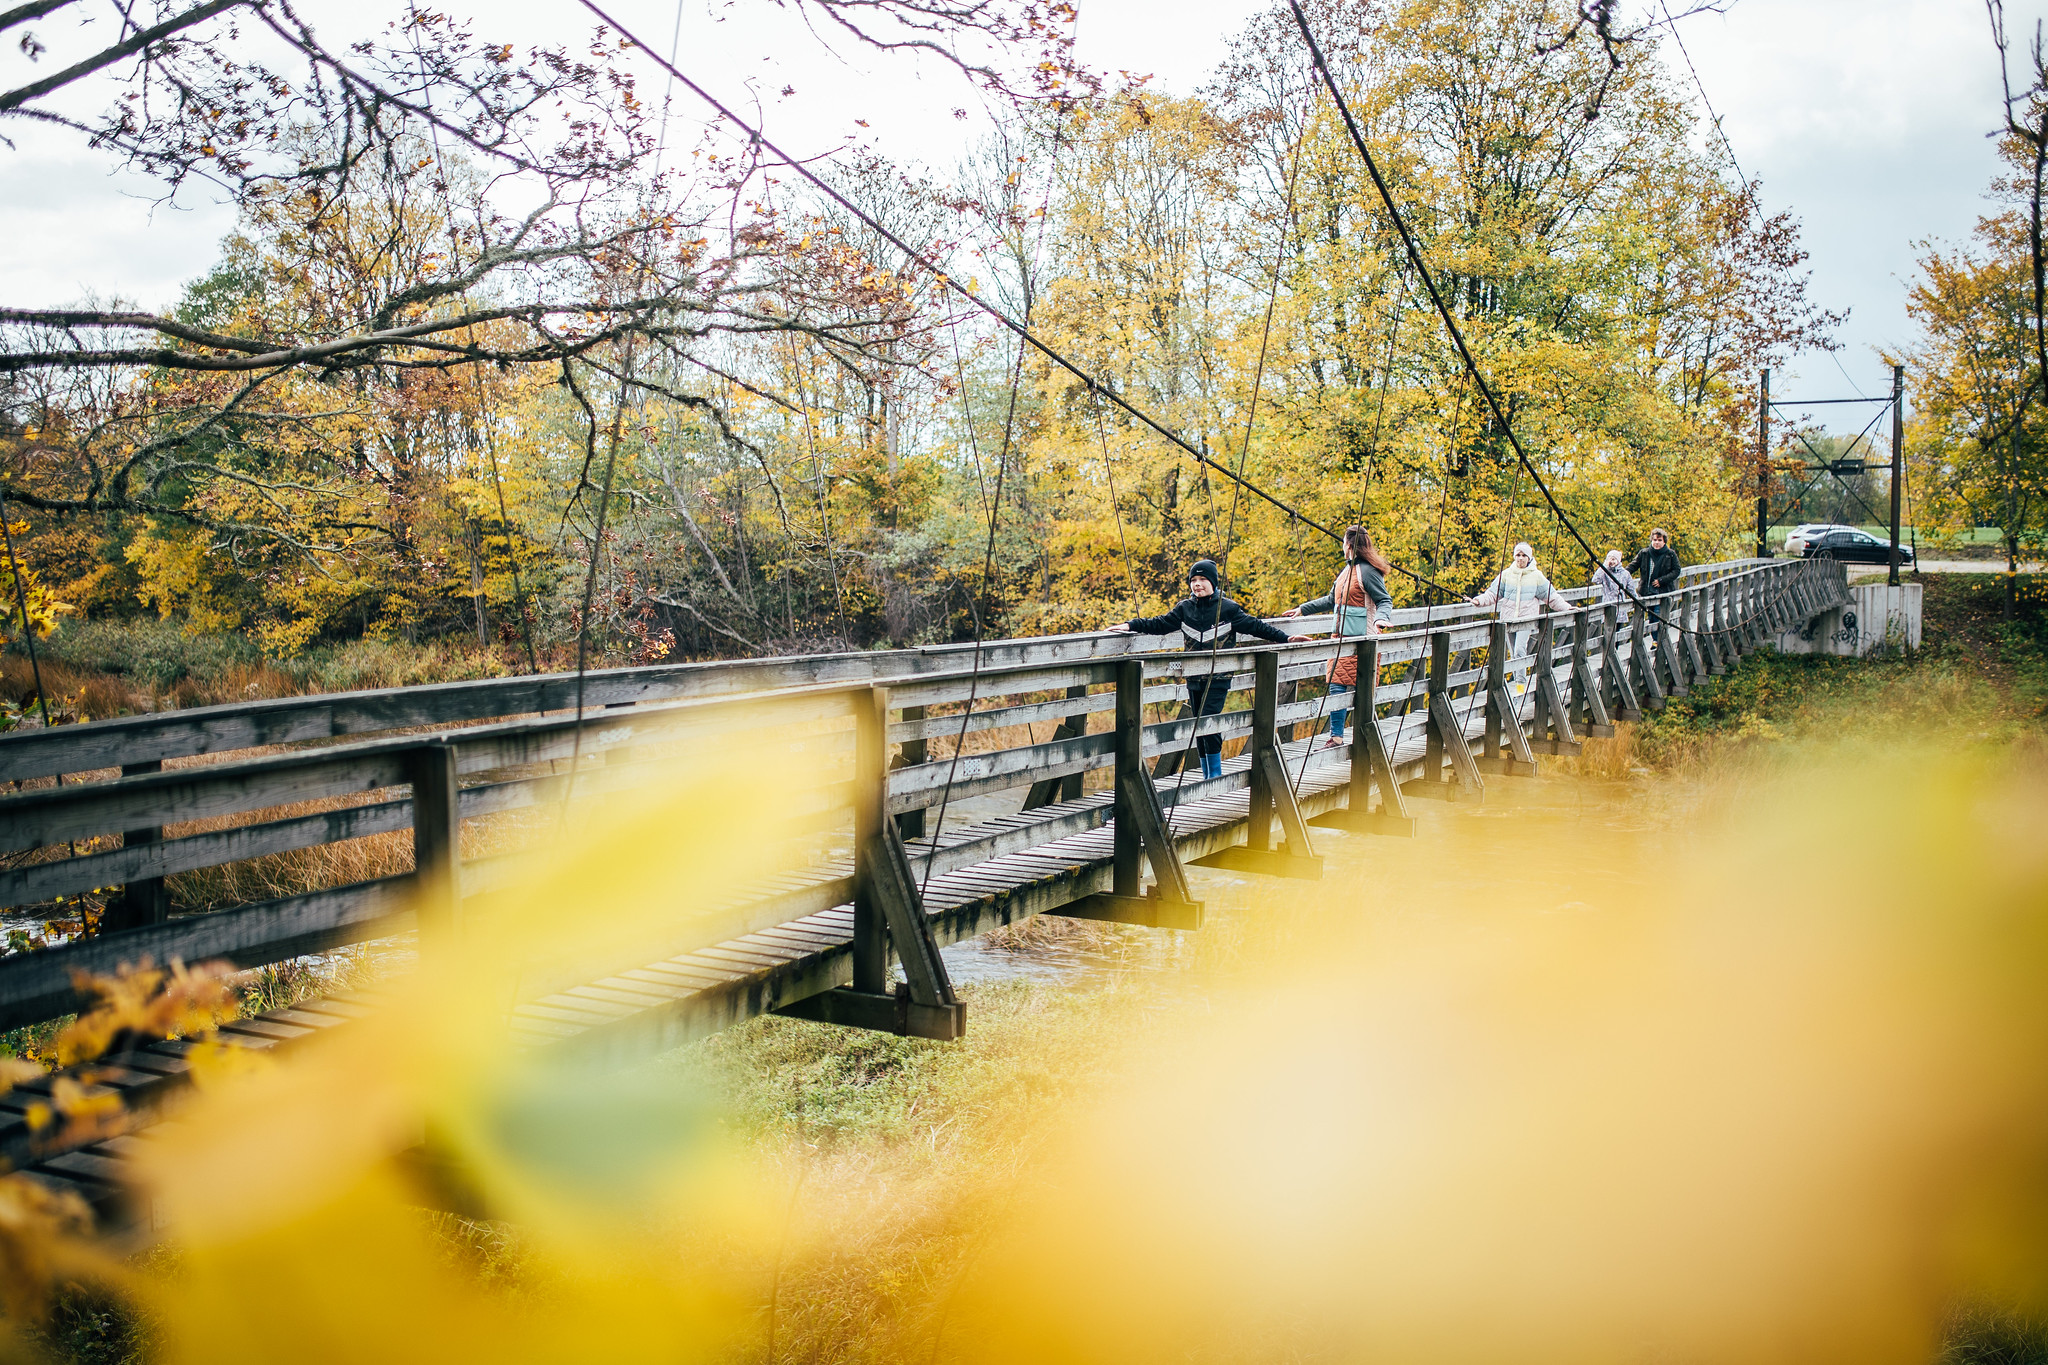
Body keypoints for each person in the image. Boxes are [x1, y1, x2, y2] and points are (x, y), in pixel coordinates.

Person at [1108, 558, 1308, 780]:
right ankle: (1206, 776)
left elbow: (1257, 627)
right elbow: (1159, 624)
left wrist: (1286, 638)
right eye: (1193, 580)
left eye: (1203, 579)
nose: (1197, 584)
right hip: (1193, 677)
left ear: (1213, 582)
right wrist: (1130, 625)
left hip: (1219, 676)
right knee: (1198, 726)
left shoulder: (1228, 609)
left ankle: (1214, 776)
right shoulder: (1184, 609)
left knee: (1208, 721)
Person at [1281, 526, 1395, 749]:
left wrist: (1381, 619)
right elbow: (1330, 600)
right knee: (1336, 685)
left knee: (1363, 691)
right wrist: (1302, 609)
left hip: (1363, 640)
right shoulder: (1346, 571)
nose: (1342, 546)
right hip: (1340, 639)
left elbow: (1384, 600)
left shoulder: (1367, 572)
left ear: (1349, 545)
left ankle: (1365, 738)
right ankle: (1336, 737)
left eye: (1344, 542)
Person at [1469, 541, 1570, 655]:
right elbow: (1493, 593)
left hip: (1526, 619)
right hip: (1508, 619)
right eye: (1518, 555)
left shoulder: (1536, 576)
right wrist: (1478, 600)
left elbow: (1551, 596)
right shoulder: (1506, 574)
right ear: (1514, 556)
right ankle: (1521, 668)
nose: (1520, 558)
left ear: (1529, 558)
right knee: (1513, 653)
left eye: (1524, 555)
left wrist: (1567, 608)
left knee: (1519, 650)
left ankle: (1521, 668)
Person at [1630, 528, 1681, 620]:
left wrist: (1662, 580)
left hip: (1663, 593)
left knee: (1658, 618)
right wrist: (1621, 574)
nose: (1657, 542)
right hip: (1647, 592)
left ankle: (1660, 630)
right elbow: (1633, 566)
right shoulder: (1644, 553)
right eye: (1655, 540)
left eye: (1659, 540)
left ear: (1664, 542)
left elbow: (1676, 571)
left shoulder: (1670, 554)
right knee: (1651, 618)